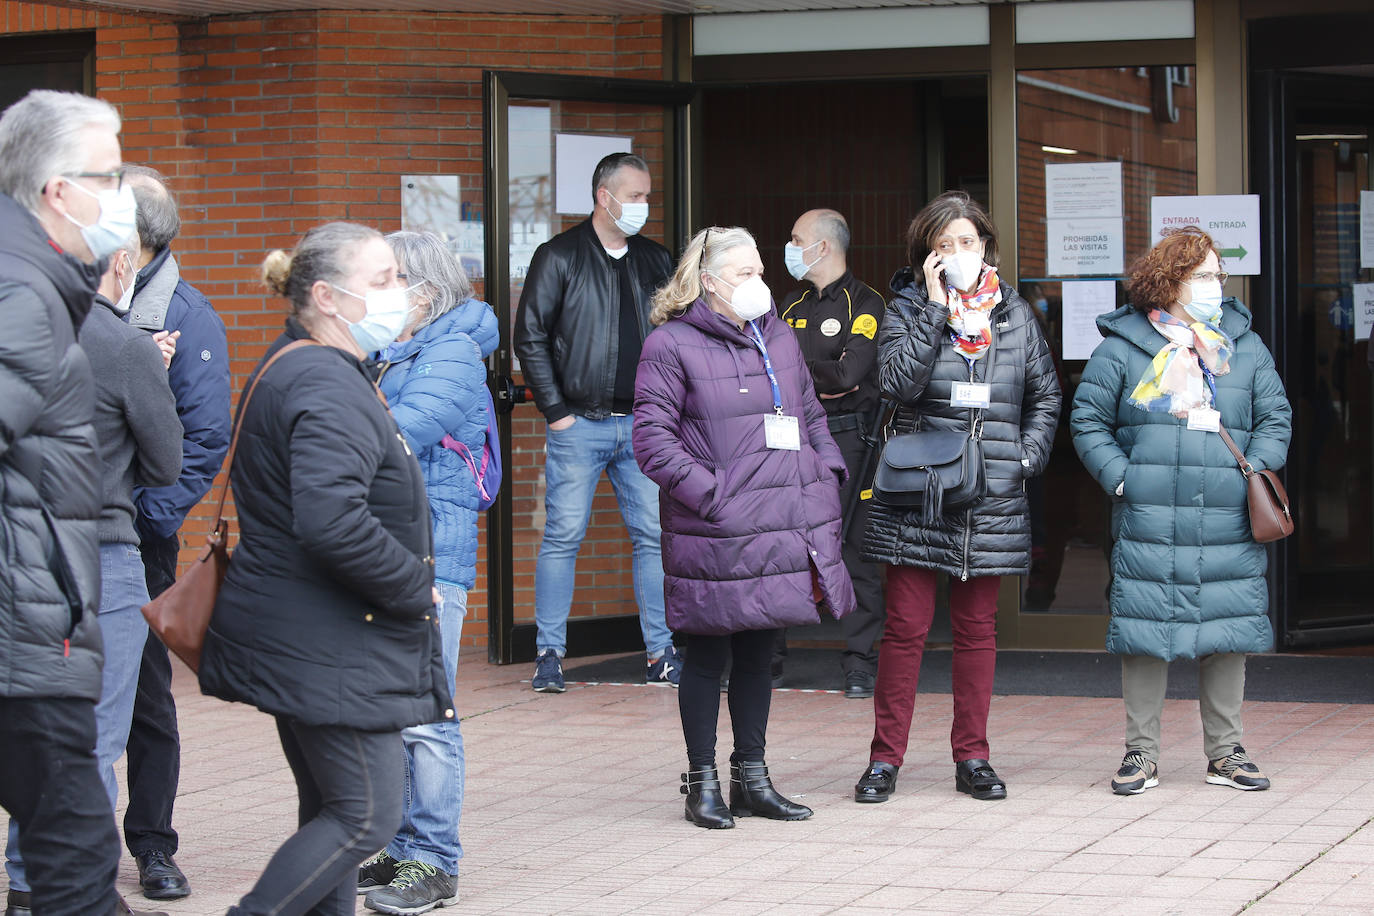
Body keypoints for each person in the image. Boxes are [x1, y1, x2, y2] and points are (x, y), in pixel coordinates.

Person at [198, 222, 454, 916]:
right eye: (382, 281)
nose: (401, 292)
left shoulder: (308, 366)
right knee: (366, 816)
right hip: (331, 642)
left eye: (398, 278)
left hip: (315, 636)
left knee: (334, 811)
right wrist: (411, 584)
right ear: (327, 297)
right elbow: (331, 520)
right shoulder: (324, 380)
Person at [0, 88, 168, 916]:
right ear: (58, 191)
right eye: (110, 175)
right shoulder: (23, 294)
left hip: (41, 609)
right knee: (73, 843)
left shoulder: (42, 288)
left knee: (68, 839)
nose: (124, 199)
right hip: (28, 621)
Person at [634, 226, 856, 829]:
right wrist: (714, 496)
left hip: (781, 520)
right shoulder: (671, 344)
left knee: (761, 653)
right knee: (707, 656)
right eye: (743, 274)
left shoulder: (776, 334)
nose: (759, 282)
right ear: (708, 282)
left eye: (761, 271)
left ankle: (752, 778)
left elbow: (809, 410)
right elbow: (651, 441)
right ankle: (699, 782)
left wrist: (824, 466)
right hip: (717, 528)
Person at [853, 191, 1060, 804]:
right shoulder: (906, 309)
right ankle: (885, 759)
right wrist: (936, 311)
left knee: (976, 630)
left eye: (967, 242)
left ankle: (973, 755)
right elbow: (895, 384)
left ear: (986, 247)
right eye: (943, 246)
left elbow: (1045, 397)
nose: (957, 253)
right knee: (906, 628)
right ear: (926, 257)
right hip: (923, 491)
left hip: (991, 489)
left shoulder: (1015, 315)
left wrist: (1024, 458)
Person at [1070, 225, 1292, 795]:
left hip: (1227, 517)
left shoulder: (1244, 345)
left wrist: (1250, 472)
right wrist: (1122, 481)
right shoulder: (1123, 347)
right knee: (1146, 632)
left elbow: (1276, 419)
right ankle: (1140, 755)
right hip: (1151, 516)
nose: (1216, 286)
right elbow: (1087, 420)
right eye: (1203, 276)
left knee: (1228, 631)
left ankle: (1226, 753)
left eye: (1217, 275)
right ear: (1170, 281)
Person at [355, 230, 498, 914]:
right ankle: (403, 843)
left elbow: (393, 438)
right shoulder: (391, 352)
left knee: (426, 715)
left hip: (431, 553)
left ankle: (435, 860)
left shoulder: (452, 351)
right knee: (391, 708)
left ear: (427, 290)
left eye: (387, 279)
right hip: (390, 548)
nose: (373, 292)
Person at [513, 151, 679, 692]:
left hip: (642, 425)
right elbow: (530, 336)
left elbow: (680, 334)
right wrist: (556, 414)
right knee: (562, 537)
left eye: (647, 195)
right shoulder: (559, 255)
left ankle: (660, 654)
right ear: (604, 197)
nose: (644, 205)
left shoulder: (656, 259)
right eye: (635, 196)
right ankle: (549, 655)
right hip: (578, 425)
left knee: (654, 538)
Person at [121, 163, 232, 903]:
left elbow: (205, 436)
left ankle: (154, 845)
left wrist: (149, 518)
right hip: (57, 525)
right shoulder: (67, 299)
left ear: (136, 238)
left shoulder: (185, 316)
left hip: (137, 536)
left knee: (142, 697)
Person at [775, 208, 887, 698]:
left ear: (823, 246)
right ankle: (768, 659)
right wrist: (816, 375)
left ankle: (860, 663)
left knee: (851, 550)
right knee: (780, 544)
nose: (790, 247)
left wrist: (797, 374)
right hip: (785, 437)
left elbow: (849, 375)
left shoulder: (865, 303)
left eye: (796, 239)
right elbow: (764, 371)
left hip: (848, 438)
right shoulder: (788, 303)